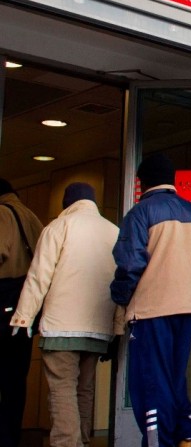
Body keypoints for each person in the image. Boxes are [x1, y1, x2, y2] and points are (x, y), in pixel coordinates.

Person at [111, 154, 191, 447]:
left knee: (150, 383)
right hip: (186, 310)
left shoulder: (140, 213)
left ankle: (159, 441)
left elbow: (130, 265)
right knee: (174, 378)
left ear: (142, 183)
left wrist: (119, 296)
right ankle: (186, 433)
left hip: (150, 310)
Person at [8, 183, 116, 447]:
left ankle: (67, 444)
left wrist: (23, 319)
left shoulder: (58, 227)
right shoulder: (114, 232)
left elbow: (38, 277)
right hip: (99, 328)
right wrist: (117, 326)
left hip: (61, 327)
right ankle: (82, 442)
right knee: (84, 390)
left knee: (62, 390)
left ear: (66, 203)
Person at [0, 178, 44, 447]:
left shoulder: (3, 213)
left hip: (3, 303)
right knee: (15, 379)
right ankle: (10, 437)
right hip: (24, 309)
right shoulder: (31, 216)